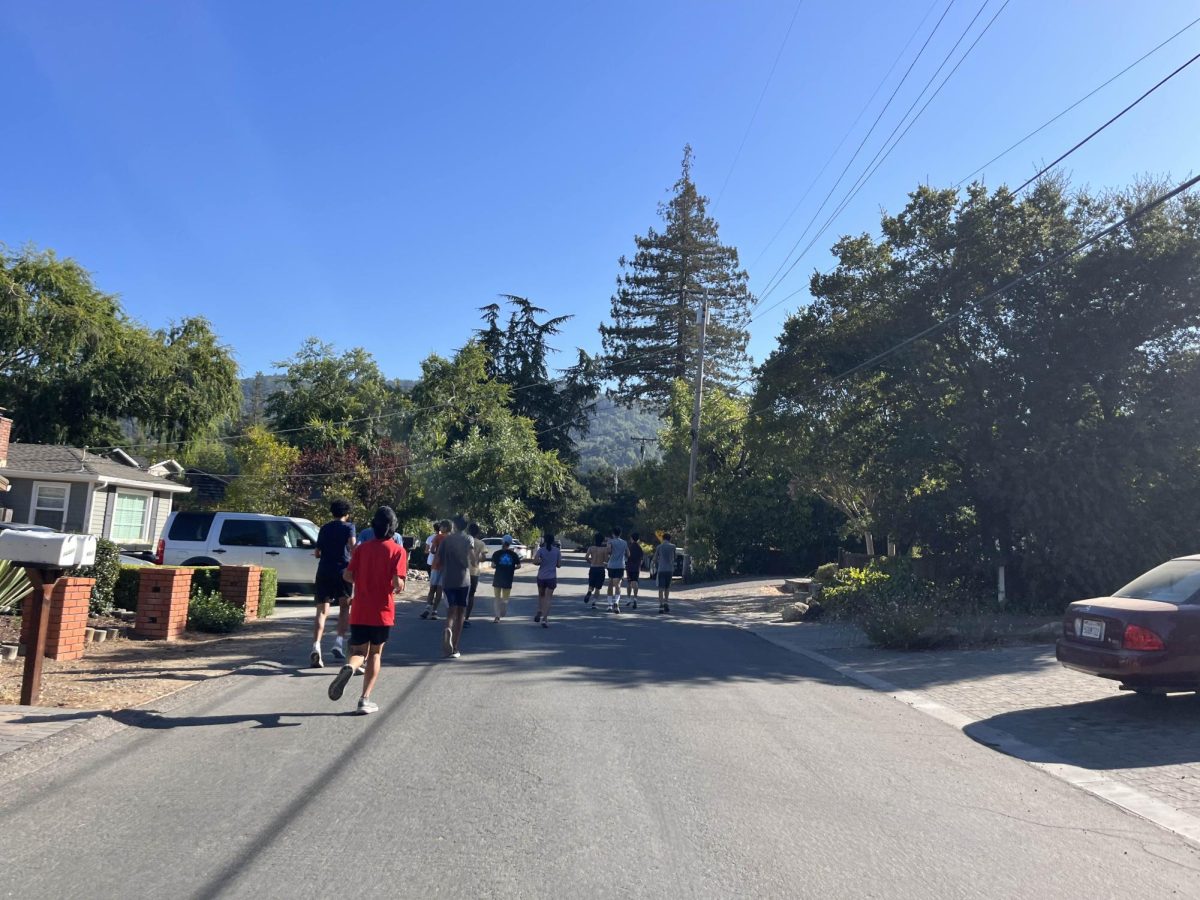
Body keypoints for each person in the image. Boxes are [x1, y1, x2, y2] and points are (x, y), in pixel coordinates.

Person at [328, 505, 408, 714]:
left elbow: (347, 575)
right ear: (393, 527)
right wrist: (396, 584)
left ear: (374, 526)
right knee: (375, 653)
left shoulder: (362, 549)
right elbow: (398, 584)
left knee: (358, 651)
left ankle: (351, 667)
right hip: (381, 610)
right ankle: (364, 699)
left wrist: (361, 580)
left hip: (360, 609)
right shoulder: (398, 551)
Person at [311, 498, 356, 668]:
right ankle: (338, 643)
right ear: (347, 513)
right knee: (345, 607)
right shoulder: (349, 527)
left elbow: (317, 553)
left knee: (322, 610)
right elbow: (352, 547)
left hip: (323, 571)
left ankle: (316, 646)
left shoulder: (324, 528)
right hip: (343, 572)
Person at [436, 515, 473, 658]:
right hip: (464, 580)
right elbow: (472, 558)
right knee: (461, 613)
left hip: (448, 579)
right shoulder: (468, 539)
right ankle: (455, 647)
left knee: (451, 611)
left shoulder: (446, 540)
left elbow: (439, 559)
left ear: (454, 525)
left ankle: (447, 629)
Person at [421, 520, 450, 620]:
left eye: (441, 527)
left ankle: (427, 608)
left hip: (436, 565)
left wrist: (437, 551)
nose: (440, 528)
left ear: (445, 528)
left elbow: (432, 550)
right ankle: (434, 611)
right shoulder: (452, 539)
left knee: (432, 588)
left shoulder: (437, 537)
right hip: (446, 567)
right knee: (439, 590)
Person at [490, 535, 521, 622]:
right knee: (505, 598)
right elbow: (519, 566)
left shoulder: (496, 553)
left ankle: (497, 617)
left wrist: (499, 566)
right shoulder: (514, 555)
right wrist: (512, 568)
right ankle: (504, 605)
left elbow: (492, 565)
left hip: (498, 577)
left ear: (502, 542)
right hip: (508, 578)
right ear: (510, 543)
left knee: (496, 598)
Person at [534, 531, 561, 628]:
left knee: (541, 595)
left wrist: (541, 562)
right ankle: (544, 619)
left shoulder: (541, 550)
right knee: (548, 598)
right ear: (553, 541)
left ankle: (539, 611)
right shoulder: (557, 551)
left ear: (545, 540)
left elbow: (535, 561)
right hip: (551, 577)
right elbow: (559, 565)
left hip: (541, 577)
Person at [464, 522, 486, 628]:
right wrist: (477, 558)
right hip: (474, 572)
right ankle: (466, 618)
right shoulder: (480, 543)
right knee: (471, 595)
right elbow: (483, 558)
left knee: (461, 595)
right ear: (478, 533)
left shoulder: (464, 541)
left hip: (462, 570)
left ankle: (458, 616)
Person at [583, 532, 609, 608]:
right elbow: (606, 560)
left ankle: (589, 591)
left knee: (591, 584)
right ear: (602, 541)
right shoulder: (604, 549)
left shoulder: (591, 548)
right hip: (600, 568)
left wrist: (591, 562)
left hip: (593, 567)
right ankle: (594, 603)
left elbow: (586, 557)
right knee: (598, 587)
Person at [605, 527, 628, 613]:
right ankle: (616, 602)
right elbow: (628, 554)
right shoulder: (624, 542)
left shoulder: (610, 541)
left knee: (610, 584)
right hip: (620, 565)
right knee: (617, 584)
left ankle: (609, 605)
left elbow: (609, 551)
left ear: (613, 534)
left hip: (611, 565)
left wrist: (608, 546)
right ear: (620, 533)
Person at [653, 532, 677, 614]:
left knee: (661, 588)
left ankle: (661, 605)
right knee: (667, 587)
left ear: (663, 539)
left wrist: (657, 564)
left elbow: (655, 559)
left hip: (661, 569)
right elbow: (675, 557)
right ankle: (666, 602)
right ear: (670, 539)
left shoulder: (659, 547)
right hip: (670, 569)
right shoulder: (673, 546)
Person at [625, 532, 645, 610]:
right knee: (635, 582)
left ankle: (628, 599)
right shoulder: (640, 548)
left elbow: (627, 556)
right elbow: (642, 559)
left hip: (629, 567)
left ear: (632, 538)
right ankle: (635, 599)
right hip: (636, 567)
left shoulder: (629, 547)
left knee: (629, 582)